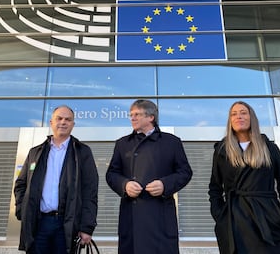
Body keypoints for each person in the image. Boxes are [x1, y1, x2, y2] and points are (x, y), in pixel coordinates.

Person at [208, 101, 280, 254]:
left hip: (267, 218)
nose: (238, 117)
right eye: (233, 114)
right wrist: (220, 215)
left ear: (251, 118)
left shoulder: (269, 148)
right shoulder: (222, 151)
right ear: (230, 121)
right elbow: (215, 187)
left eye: (243, 112)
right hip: (234, 220)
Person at [106, 99, 193, 254]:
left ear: (151, 117)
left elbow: (185, 172)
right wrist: (125, 185)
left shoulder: (171, 142)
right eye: (131, 115)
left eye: (137, 114)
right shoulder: (122, 144)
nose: (132, 118)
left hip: (160, 216)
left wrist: (165, 185)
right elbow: (112, 174)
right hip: (131, 216)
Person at [14, 105, 98, 254]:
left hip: (66, 224)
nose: (63, 122)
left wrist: (86, 227)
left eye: (68, 119)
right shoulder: (35, 153)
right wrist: (23, 209)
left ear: (73, 124)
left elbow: (90, 192)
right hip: (38, 223)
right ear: (51, 122)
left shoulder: (82, 152)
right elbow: (21, 184)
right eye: (59, 118)